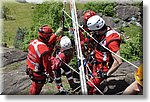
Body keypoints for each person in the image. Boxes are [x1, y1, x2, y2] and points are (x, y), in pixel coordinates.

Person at [86, 15, 122, 94]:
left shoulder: (111, 40)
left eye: (93, 31)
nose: (93, 33)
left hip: (103, 68)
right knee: (92, 87)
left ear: (97, 30)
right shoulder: (102, 33)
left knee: (88, 87)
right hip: (96, 63)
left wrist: (106, 74)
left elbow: (118, 61)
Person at [26, 25, 62, 95]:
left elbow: (46, 43)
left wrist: (55, 35)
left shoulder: (33, 42)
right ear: (46, 37)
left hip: (30, 68)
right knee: (36, 89)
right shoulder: (44, 51)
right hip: (38, 73)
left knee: (34, 87)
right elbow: (47, 66)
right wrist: (51, 76)